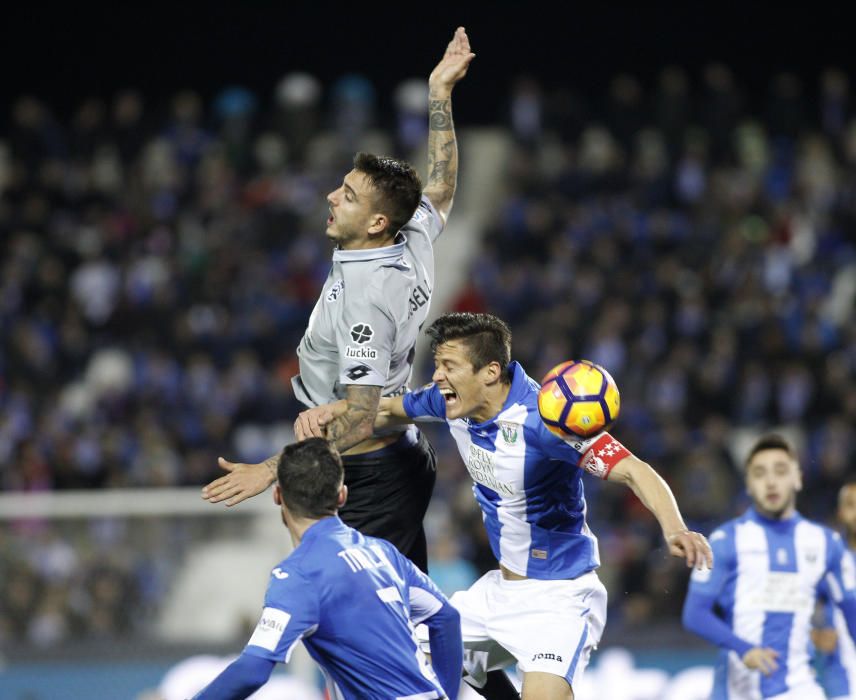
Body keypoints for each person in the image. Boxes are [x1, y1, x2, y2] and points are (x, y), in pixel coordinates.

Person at [296, 311, 712, 700]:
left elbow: (635, 471)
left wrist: (676, 528)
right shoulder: (449, 402)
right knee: (403, 653)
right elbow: (383, 412)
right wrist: (323, 421)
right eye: (438, 364)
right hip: (498, 592)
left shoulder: (547, 422)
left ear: (491, 372)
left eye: (449, 366)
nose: (437, 376)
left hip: (560, 598)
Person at [201, 27, 476, 574]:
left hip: (368, 475)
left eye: (347, 195)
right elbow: (440, 188)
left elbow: (359, 416)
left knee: (368, 633)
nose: (331, 196)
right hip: (395, 459)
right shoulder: (410, 234)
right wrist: (439, 93)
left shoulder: (366, 301)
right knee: (394, 618)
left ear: (376, 222)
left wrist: (273, 470)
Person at [192, 438, 463, 700]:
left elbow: (252, 671)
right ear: (342, 494)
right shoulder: (383, 552)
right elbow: (446, 618)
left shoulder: (298, 575)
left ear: (277, 495)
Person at [682, 434, 856, 700]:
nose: (771, 482)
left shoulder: (825, 544)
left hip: (800, 688)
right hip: (737, 690)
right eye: (760, 474)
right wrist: (743, 648)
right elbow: (695, 613)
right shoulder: (724, 541)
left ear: (797, 478)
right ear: (749, 486)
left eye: (781, 471)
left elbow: (851, 611)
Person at [813, 481, 856, 700]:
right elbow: (796, 604)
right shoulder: (827, 562)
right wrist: (815, 635)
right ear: (841, 513)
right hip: (843, 679)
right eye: (851, 505)